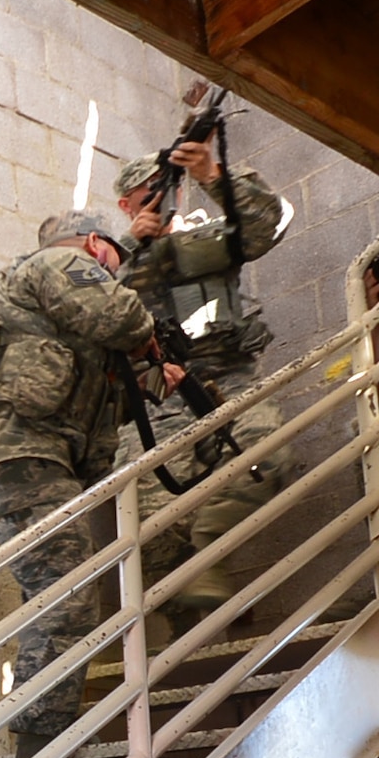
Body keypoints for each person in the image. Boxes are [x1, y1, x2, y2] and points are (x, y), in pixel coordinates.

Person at [0, 210, 171, 758]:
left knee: (56, 586)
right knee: (67, 586)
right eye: (114, 259)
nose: (115, 272)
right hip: (11, 450)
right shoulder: (64, 263)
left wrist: (145, 380)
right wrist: (145, 333)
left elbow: (87, 409)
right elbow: (119, 314)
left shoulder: (50, 312)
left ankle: (39, 754)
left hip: (0, 456)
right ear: (96, 245)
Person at [110, 139, 293, 613]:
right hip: (156, 398)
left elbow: (263, 227)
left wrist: (214, 175)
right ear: (125, 203)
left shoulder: (210, 235)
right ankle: (184, 634)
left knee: (269, 457)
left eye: (165, 187)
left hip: (228, 379)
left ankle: (209, 543)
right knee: (148, 521)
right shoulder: (115, 258)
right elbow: (85, 307)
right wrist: (133, 246)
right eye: (145, 192)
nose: (158, 198)